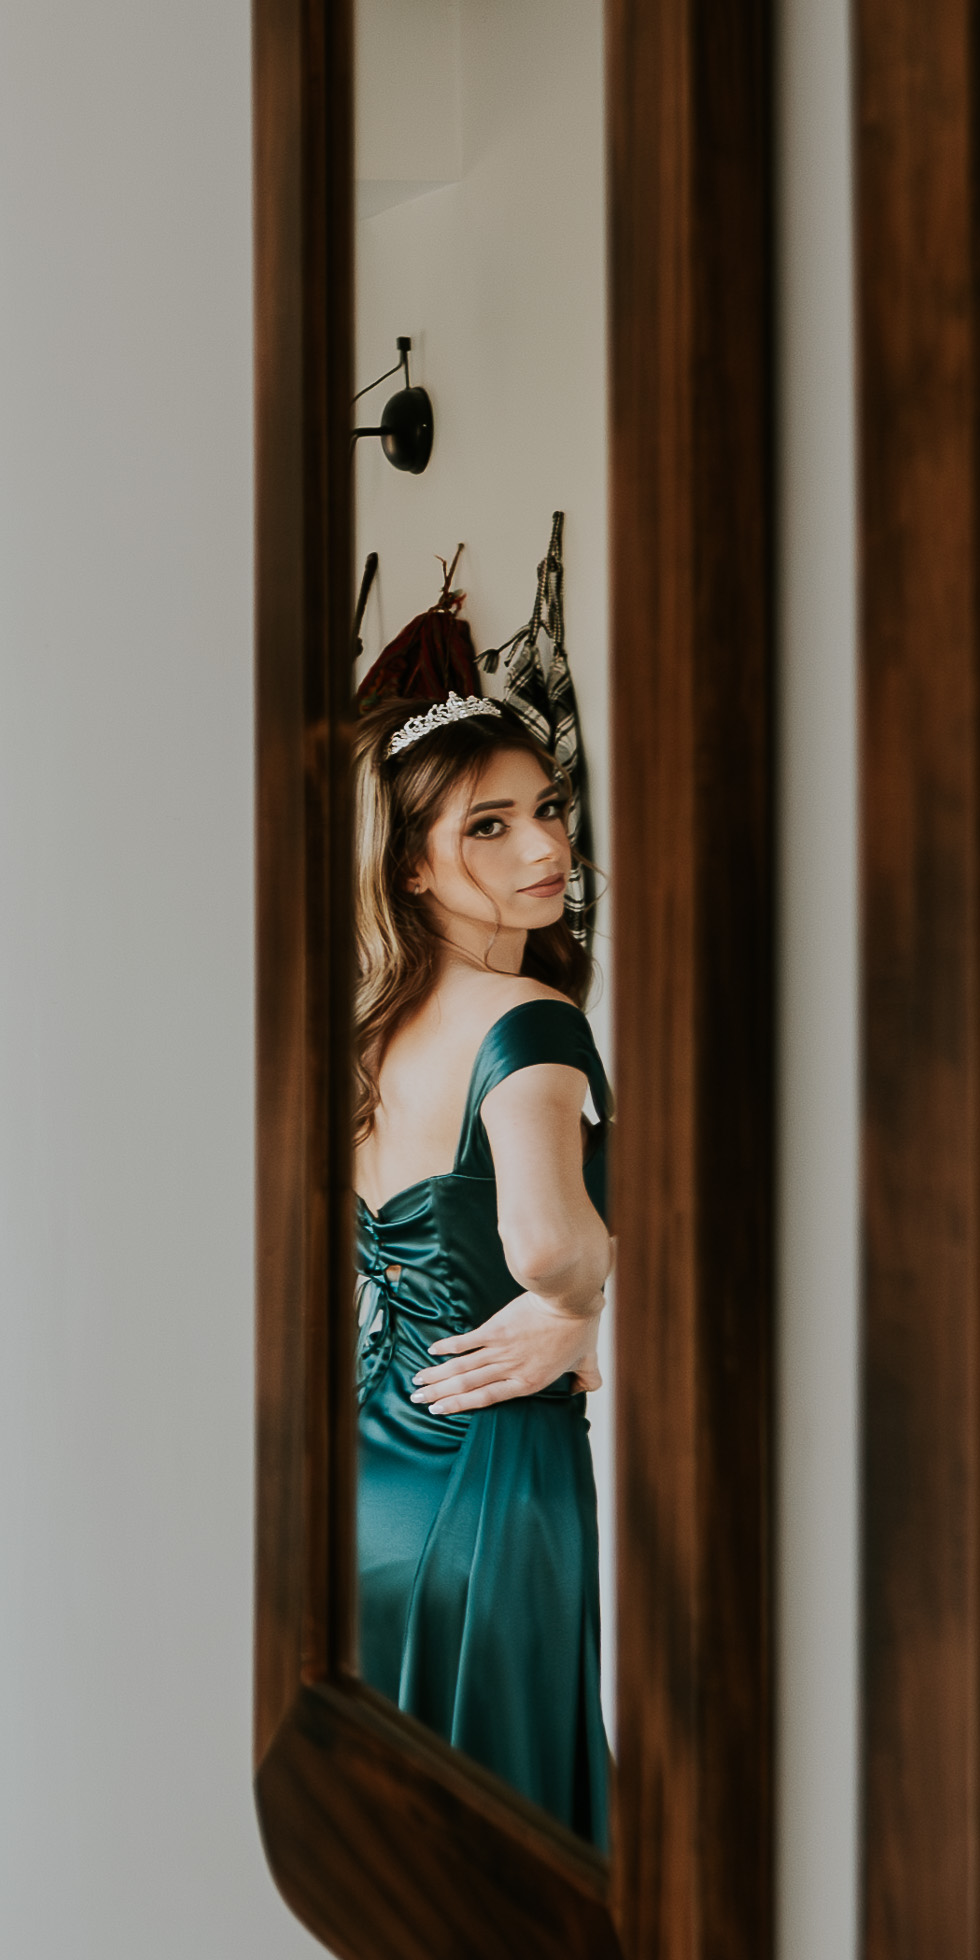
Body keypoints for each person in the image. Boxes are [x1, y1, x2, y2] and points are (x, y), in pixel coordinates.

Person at [347, 685, 614, 1846]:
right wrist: (579, 1300)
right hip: (496, 1478)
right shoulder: (527, 1017)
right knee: (514, 1852)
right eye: (488, 826)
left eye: (547, 807)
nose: (545, 847)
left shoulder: (366, 1031)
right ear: (411, 866)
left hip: (369, 1477)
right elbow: (549, 1247)